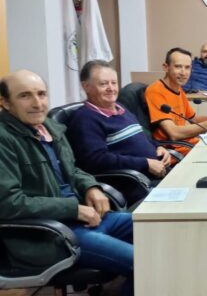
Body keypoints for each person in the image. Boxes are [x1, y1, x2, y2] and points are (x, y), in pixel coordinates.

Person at [0, 70, 136, 296]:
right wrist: (72, 208)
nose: (37, 103)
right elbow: (9, 203)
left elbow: (73, 170)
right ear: (5, 103)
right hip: (48, 235)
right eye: (25, 96)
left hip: (82, 219)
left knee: (154, 228)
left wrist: (91, 187)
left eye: (41, 94)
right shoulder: (4, 139)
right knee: (140, 263)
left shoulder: (48, 127)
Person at [66, 61, 172, 203]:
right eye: (103, 84)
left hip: (157, 173)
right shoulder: (84, 118)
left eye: (114, 83)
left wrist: (158, 147)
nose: (111, 88)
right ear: (86, 86)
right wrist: (145, 163)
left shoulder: (121, 108)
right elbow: (97, 160)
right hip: (135, 185)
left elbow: (141, 136)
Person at [145, 47, 207, 155]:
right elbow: (174, 133)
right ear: (166, 67)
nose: (183, 72)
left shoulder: (179, 89)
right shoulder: (156, 91)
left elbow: (192, 119)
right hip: (176, 152)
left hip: (191, 145)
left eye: (187, 67)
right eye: (178, 66)